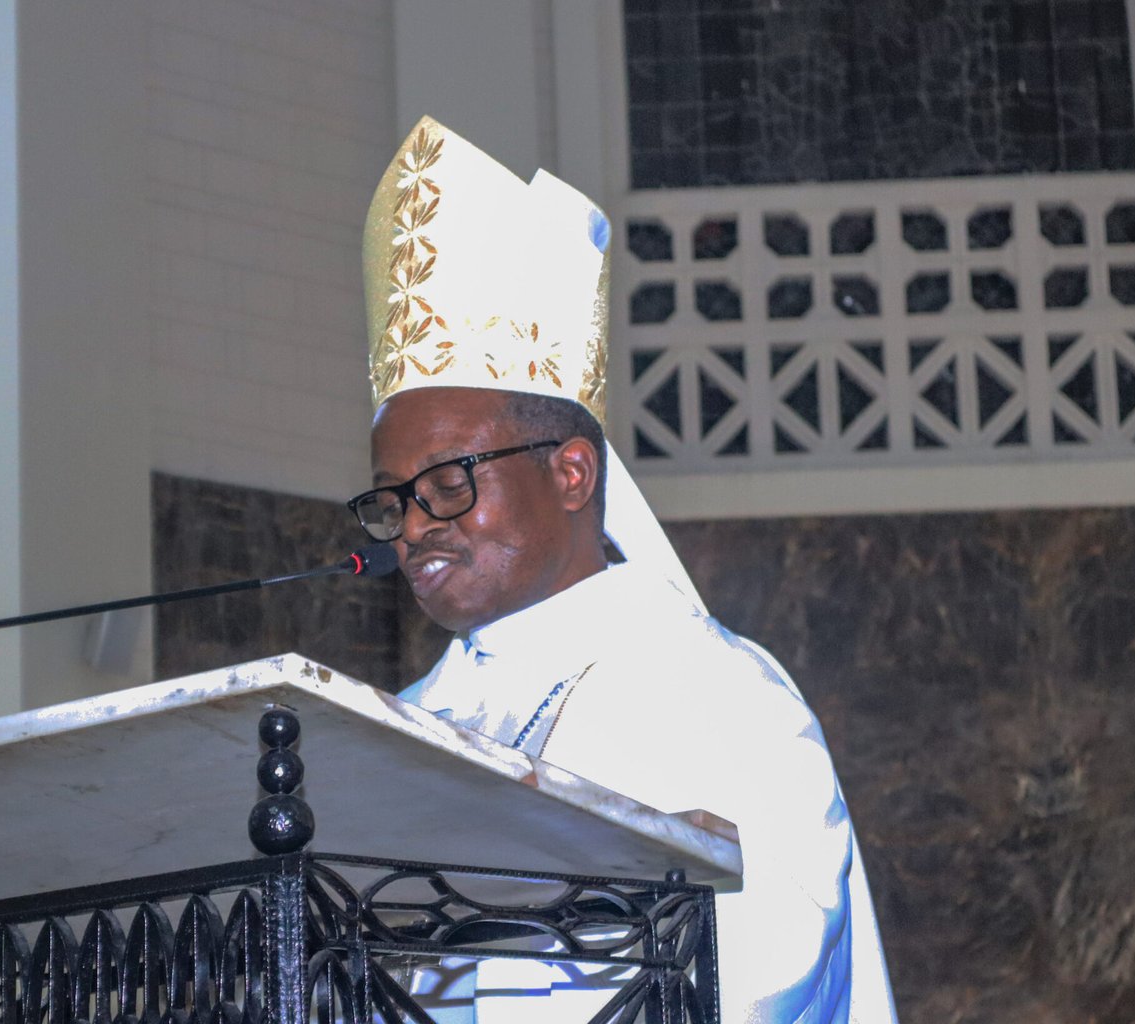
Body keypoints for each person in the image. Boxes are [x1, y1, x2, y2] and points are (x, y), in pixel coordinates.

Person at [349, 116, 899, 1022]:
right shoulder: (391, 731)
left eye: (447, 484)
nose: (412, 527)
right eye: (391, 498)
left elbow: (770, 968)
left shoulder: (720, 698)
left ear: (571, 473)